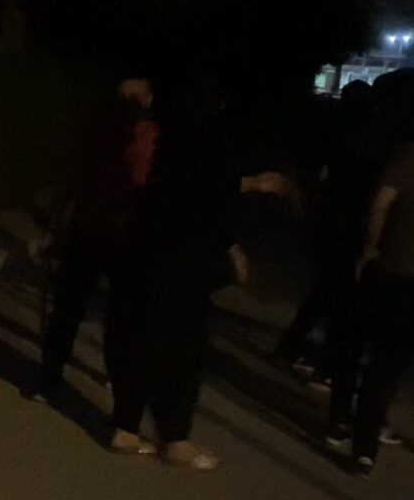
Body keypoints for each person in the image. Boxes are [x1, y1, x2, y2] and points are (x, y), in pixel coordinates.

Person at [103, 76, 297, 469]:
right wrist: (232, 236)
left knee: (136, 338)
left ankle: (126, 427)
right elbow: (206, 197)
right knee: (182, 350)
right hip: (183, 262)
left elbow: (179, 187)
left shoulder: (156, 137)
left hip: (141, 249)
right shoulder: (207, 142)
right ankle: (176, 438)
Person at [25, 74, 158, 403]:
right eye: (124, 97)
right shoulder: (101, 131)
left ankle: (119, 382)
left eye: (135, 97)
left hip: (125, 235)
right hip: (89, 230)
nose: (128, 104)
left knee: (120, 316)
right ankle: (49, 377)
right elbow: (75, 180)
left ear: (148, 100)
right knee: (67, 310)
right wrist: (55, 229)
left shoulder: (148, 135)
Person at [276, 81, 383, 383]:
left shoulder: (336, 132)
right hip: (349, 223)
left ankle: (295, 344)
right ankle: (316, 355)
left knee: (326, 288)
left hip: (331, 220)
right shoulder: (369, 139)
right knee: (338, 292)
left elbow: (312, 169)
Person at [327, 140, 414, 476]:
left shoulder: (407, 156)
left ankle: (344, 424)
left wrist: (372, 245)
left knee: (357, 345)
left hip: (390, 267)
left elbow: (381, 201)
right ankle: (365, 442)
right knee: (388, 364)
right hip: (405, 280)